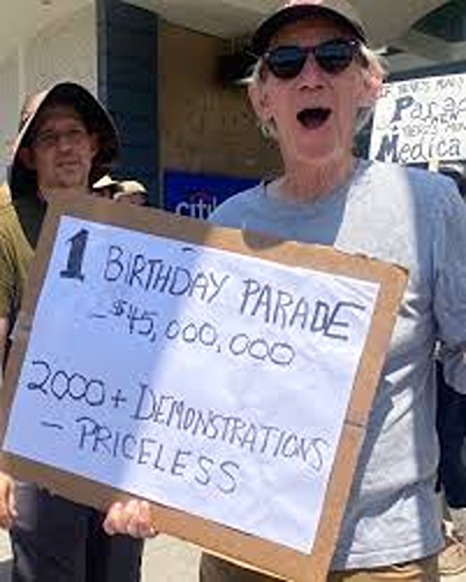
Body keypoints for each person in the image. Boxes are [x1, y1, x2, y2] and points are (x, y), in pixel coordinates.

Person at [103, 1, 466, 580]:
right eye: (287, 62)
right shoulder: (225, 224)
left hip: (380, 555)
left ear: (369, 83)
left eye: (334, 57)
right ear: (262, 99)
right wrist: (147, 478)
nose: (311, 76)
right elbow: (192, 379)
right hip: (241, 542)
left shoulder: (430, 206)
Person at [0, 81, 145, 581]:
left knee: (119, 573)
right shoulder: (7, 228)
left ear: (94, 143)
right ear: (28, 155)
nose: (65, 146)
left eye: (75, 133)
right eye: (48, 137)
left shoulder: (130, 226)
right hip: (37, 451)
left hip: (117, 448)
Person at [435, 162, 466, 577]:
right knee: (439, 443)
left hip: (458, 365)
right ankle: (446, 529)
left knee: (454, 449)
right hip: (438, 365)